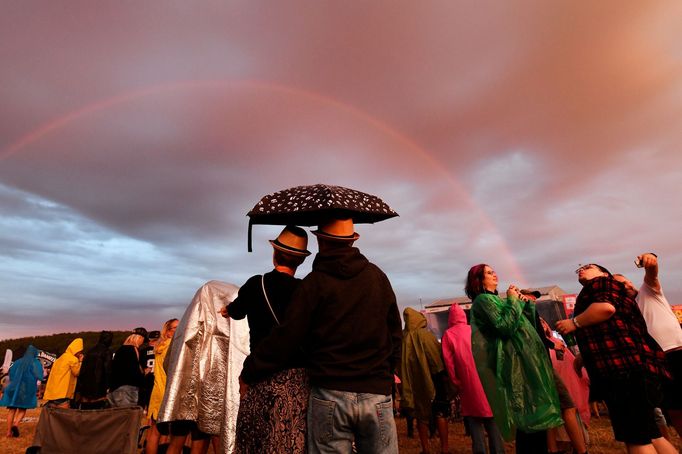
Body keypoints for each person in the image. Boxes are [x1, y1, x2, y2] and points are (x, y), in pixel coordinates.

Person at [240, 217, 402, 454]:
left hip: (330, 393)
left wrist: (250, 369)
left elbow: (287, 336)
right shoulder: (378, 277)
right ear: (352, 241)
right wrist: (389, 373)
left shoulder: (314, 283)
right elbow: (395, 332)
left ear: (320, 241)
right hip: (376, 392)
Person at [556, 263, 677, 454]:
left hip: (622, 371)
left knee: (636, 439)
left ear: (604, 273)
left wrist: (574, 322)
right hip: (635, 369)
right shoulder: (612, 289)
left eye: (588, 266)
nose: (581, 269)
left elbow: (605, 308)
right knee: (651, 434)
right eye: (579, 268)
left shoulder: (600, 283)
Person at [222, 225, 311, 453]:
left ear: (275, 253)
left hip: (260, 375)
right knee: (293, 442)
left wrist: (228, 310)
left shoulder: (256, 284)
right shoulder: (305, 290)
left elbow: (238, 311)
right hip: (299, 380)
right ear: (300, 262)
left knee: (257, 441)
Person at [466, 264, 562, 454]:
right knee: (527, 418)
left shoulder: (496, 300)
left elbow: (526, 325)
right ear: (478, 280)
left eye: (494, 271)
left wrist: (526, 304)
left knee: (536, 417)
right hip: (514, 365)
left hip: (526, 362)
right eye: (488, 272)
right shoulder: (483, 301)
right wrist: (512, 300)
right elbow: (505, 326)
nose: (494, 274)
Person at [158, 280, 250, 454]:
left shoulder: (187, 327)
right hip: (209, 399)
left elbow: (170, 361)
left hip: (187, 395)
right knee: (203, 441)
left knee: (182, 442)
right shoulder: (228, 334)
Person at [613, 252, 682, 438]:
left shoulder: (647, 292)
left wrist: (650, 259)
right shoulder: (621, 312)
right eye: (620, 284)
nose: (627, 285)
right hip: (656, 363)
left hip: (677, 352)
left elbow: (652, 273)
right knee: (674, 409)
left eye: (627, 281)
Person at [521, 289, 588, 454]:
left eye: (534, 298)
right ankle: (580, 450)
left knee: (550, 409)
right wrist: (552, 344)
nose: (533, 300)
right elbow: (534, 338)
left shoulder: (533, 315)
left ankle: (554, 448)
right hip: (542, 366)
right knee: (568, 406)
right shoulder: (525, 316)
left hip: (543, 365)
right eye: (529, 298)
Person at [441, 303, 505, 454]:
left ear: (450, 318)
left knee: (474, 421)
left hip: (467, 384)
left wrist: (455, 380)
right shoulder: (475, 330)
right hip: (486, 380)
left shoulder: (448, 335)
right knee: (492, 420)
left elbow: (448, 362)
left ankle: (480, 451)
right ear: (464, 316)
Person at [400, 307, 450, 454]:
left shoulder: (403, 339)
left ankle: (426, 449)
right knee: (441, 413)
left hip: (415, 384)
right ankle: (445, 449)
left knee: (421, 416)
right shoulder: (426, 336)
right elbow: (436, 359)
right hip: (435, 380)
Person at [146, 319, 179, 454]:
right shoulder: (173, 346)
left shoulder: (160, 346)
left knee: (155, 431)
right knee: (177, 434)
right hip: (168, 392)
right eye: (175, 328)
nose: (178, 330)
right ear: (168, 331)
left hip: (157, 392)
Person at [0, 345, 44, 438]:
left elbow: (11, 374)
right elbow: (40, 376)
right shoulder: (35, 362)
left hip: (14, 388)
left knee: (12, 410)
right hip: (26, 389)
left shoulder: (17, 361)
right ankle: (15, 425)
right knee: (22, 409)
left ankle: (8, 432)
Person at [74, 330, 113, 409]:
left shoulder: (89, 351)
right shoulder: (107, 352)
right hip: (99, 390)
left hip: (86, 389)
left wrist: (81, 387)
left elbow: (82, 371)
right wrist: (109, 387)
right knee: (98, 415)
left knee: (86, 413)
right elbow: (107, 371)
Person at [42, 337, 83, 408]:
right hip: (63, 393)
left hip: (52, 393)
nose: (80, 354)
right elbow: (77, 372)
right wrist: (81, 361)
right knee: (64, 416)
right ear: (76, 350)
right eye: (80, 351)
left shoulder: (60, 358)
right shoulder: (73, 359)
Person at [108, 333, 145, 407]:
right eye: (142, 341)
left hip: (114, 389)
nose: (142, 343)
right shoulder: (133, 349)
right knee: (128, 415)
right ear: (138, 339)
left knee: (118, 416)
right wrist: (142, 376)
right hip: (127, 389)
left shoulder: (119, 350)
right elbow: (134, 369)